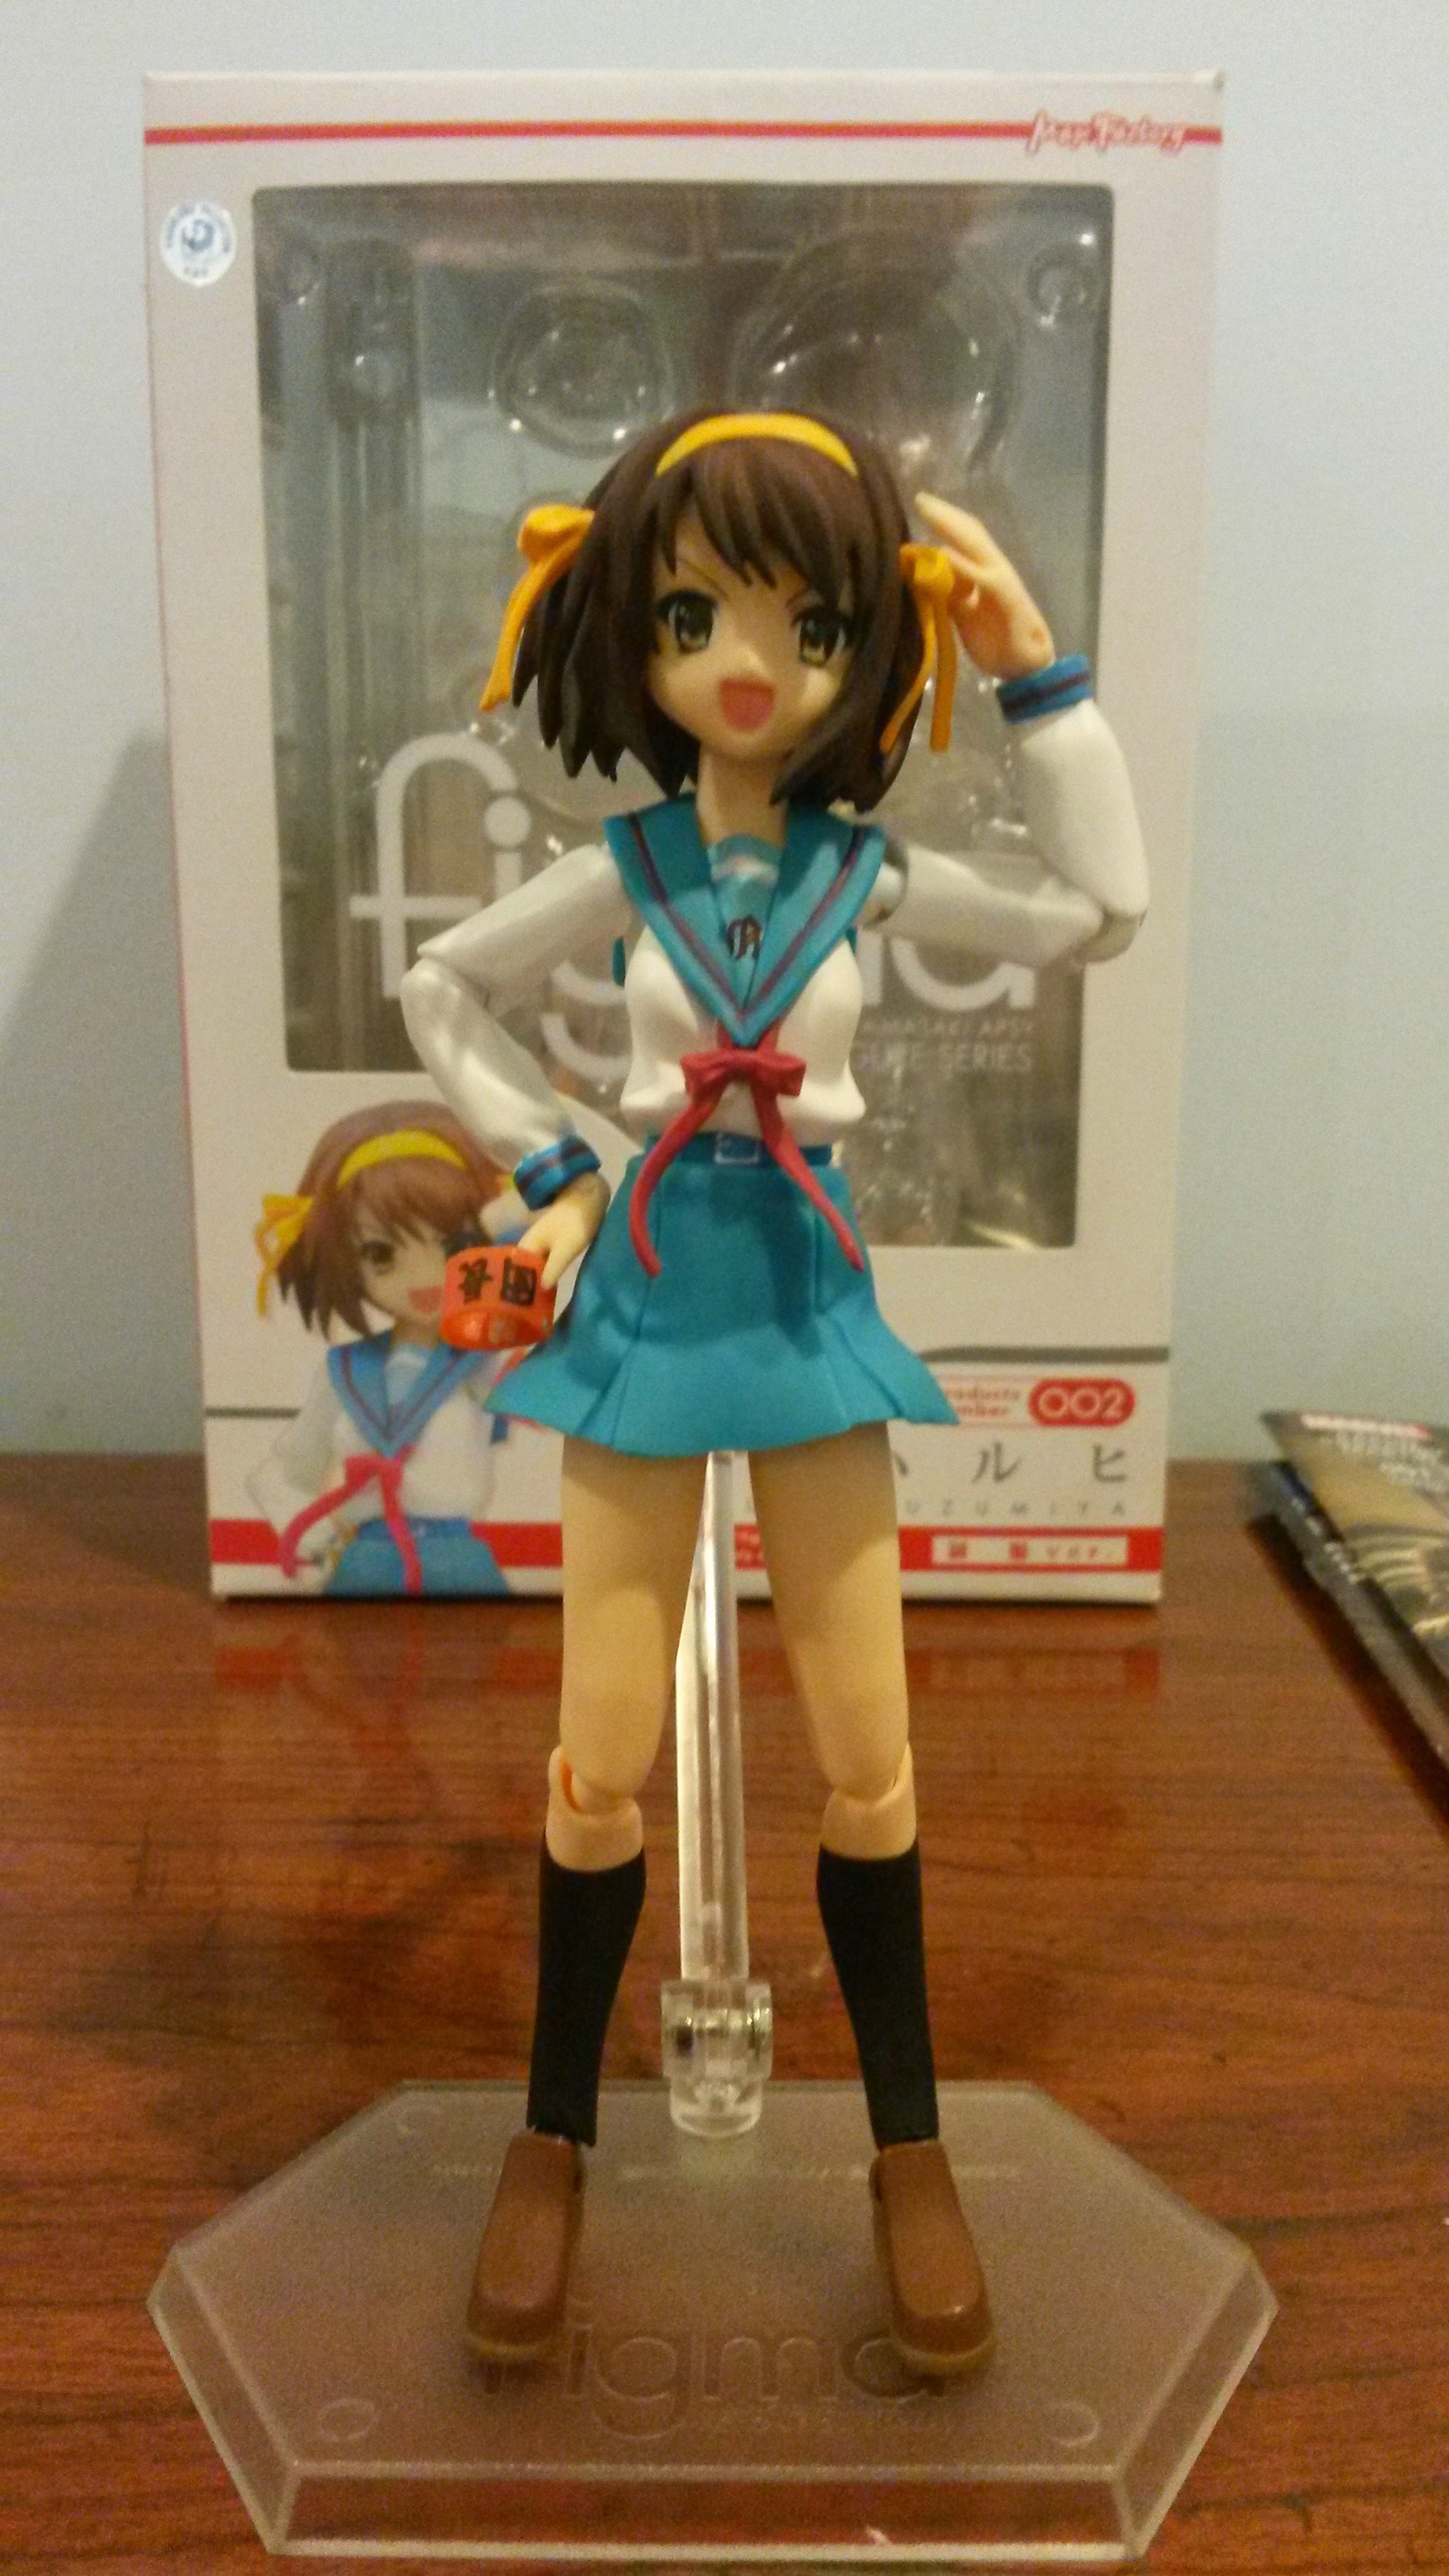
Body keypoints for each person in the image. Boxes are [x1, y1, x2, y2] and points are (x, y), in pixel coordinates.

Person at [400, 407, 1148, 2372]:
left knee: (872, 1755)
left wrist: (1040, 681)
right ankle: (552, 2134)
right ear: (627, 629)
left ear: (862, 650)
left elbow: (1097, 915)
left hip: (807, 1301)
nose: (748, 667)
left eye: (808, 628)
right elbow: (440, 985)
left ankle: (909, 2147)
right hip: (647, 1298)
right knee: (595, 1762)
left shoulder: (864, 878)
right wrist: (552, 1164)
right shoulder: (630, 865)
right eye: (694, 615)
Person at [249, 1102, 515, 1597]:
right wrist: (312, 1536)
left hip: (459, 1562)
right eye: (381, 1254)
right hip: (364, 1564)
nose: (423, 1279)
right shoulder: (345, 1372)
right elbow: (279, 1474)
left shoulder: (480, 1360)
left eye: (453, 1247)